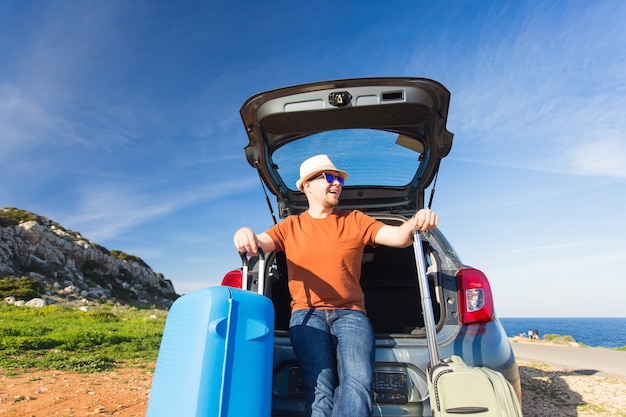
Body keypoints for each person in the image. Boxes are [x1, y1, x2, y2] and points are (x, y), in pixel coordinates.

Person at [233, 154, 439, 417]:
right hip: (306, 316)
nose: (337, 183)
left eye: (339, 179)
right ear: (307, 185)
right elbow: (257, 244)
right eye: (329, 177)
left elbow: (398, 237)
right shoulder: (290, 226)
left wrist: (416, 221)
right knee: (319, 389)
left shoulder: (354, 219)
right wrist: (243, 232)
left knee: (356, 385)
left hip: (351, 314)